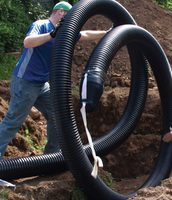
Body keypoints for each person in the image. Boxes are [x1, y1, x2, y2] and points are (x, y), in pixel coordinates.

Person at [0, 1, 108, 159]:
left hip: (42, 84)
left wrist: (106, 33)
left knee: (58, 115)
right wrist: (51, 34)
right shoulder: (41, 25)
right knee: (13, 122)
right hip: (26, 82)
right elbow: (27, 42)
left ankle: (51, 157)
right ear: (61, 12)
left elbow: (83, 35)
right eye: (70, 15)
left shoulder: (64, 32)